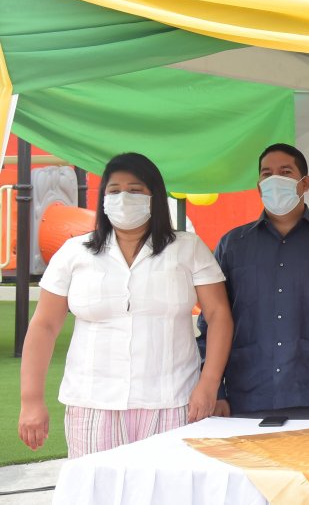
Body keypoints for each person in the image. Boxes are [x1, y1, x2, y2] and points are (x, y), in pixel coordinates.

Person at [18, 153, 232, 457]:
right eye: (114, 190)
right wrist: (31, 400)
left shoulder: (188, 248)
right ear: (103, 198)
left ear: (154, 197)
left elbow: (218, 314)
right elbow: (44, 326)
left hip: (173, 401)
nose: (123, 198)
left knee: (167, 493)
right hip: (92, 404)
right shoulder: (74, 252)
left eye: (135, 190)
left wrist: (209, 384)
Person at [198, 143, 309, 419]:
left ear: (304, 183)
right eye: (266, 174)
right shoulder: (233, 245)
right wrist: (217, 392)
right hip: (245, 396)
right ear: (259, 187)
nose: (274, 180)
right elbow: (211, 321)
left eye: (285, 172)